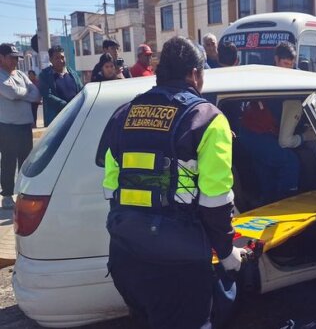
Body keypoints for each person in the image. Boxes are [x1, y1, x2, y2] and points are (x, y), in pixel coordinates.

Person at [97, 36, 243, 328]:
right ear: (194, 74)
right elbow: (215, 201)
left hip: (126, 255)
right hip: (177, 262)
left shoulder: (123, 115)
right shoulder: (208, 119)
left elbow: (112, 189)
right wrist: (227, 253)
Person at [238, 41, 308, 203]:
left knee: (267, 178)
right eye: (285, 64)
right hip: (254, 134)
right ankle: (287, 203)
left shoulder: (294, 78)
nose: (288, 68)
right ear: (276, 60)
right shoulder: (268, 78)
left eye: (291, 65)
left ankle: (269, 206)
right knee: (290, 162)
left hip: (263, 133)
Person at [0, 43, 41, 209]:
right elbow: (11, 93)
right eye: (11, 58)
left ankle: (24, 193)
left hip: (24, 126)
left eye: (16, 58)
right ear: (1, 58)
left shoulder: (20, 74)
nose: (15, 61)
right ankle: (7, 195)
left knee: (26, 161)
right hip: (8, 127)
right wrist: (24, 93)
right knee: (9, 162)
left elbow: (36, 94)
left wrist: (20, 94)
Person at [38, 45, 83, 127]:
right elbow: (47, 95)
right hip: (56, 120)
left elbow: (81, 90)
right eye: (57, 58)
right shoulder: (45, 75)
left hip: (75, 115)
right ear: (51, 60)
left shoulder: (72, 73)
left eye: (62, 57)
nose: (61, 60)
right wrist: (66, 105)